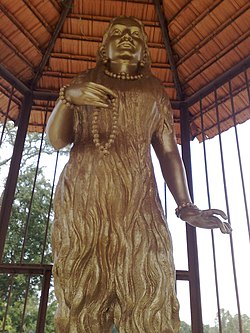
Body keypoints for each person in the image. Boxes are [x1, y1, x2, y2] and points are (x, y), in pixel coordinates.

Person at [46, 16, 232, 333]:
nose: (127, 37)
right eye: (117, 33)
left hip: (138, 206)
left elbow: (169, 151)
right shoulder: (83, 81)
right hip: (84, 203)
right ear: (104, 49)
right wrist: (67, 98)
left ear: (144, 52)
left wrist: (187, 206)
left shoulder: (154, 90)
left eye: (136, 34)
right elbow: (57, 140)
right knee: (80, 299)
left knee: (150, 294)